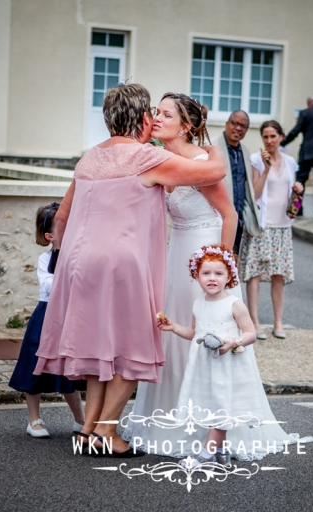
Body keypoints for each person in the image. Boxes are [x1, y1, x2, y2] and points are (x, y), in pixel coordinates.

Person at [34, 83, 227, 458]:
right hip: (122, 263)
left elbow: (61, 216)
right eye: (152, 113)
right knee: (134, 344)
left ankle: (89, 430)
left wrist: (66, 252)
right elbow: (213, 171)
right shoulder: (146, 159)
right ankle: (108, 431)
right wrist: (211, 142)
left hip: (79, 263)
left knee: (97, 344)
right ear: (142, 119)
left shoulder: (89, 158)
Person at [122, 93, 239, 457]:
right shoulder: (161, 157)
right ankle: (165, 414)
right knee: (170, 335)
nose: (156, 117)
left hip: (203, 255)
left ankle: (206, 427)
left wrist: (222, 270)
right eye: (156, 111)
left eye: (165, 113)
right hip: (176, 257)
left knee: (200, 334)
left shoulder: (201, 162)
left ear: (185, 126)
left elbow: (230, 216)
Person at [155, 245, 312, 467]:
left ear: (229, 276)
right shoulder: (198, 304)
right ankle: (221, 452)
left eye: (219, 274)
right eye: (206, 273)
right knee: (213, 405)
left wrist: (233, 343)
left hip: (227, 364)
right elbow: (194, 334)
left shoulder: (234, 304)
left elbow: (250, 334)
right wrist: (173, 328)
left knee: (221, 406)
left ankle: (205, 454)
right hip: (204, 366)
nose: (212, 278)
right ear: (196, 276)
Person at [8, 202, 85, 438]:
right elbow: (49, 286)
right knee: (35, 367)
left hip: (71, 317)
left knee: (68, 370)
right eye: (64, 226)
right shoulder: (45, 259)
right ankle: (34, 420)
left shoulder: (80, 256)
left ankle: (80, 420)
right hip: (47, 316)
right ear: (50, 235)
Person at [242, 120, 301, 340]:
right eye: (265, 137)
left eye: (273, 136)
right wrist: (266, 169)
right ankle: (255, 322)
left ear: (281, 137)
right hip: (262, 226)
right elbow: (255, 194)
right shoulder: (256, 160)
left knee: (279, 275)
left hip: (283, 226)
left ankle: (278, 322)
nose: (269, 141)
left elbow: (291, 195)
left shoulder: (290, 162)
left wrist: (298, 189)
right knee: (255, 273)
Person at [213, 110, 261, 256]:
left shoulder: (245, 151)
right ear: (227, 124)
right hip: (217, 218)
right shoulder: (213, 147)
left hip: (239, 220)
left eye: (243, 126)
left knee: (233, 266)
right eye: (235, 123)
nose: (238, 128)